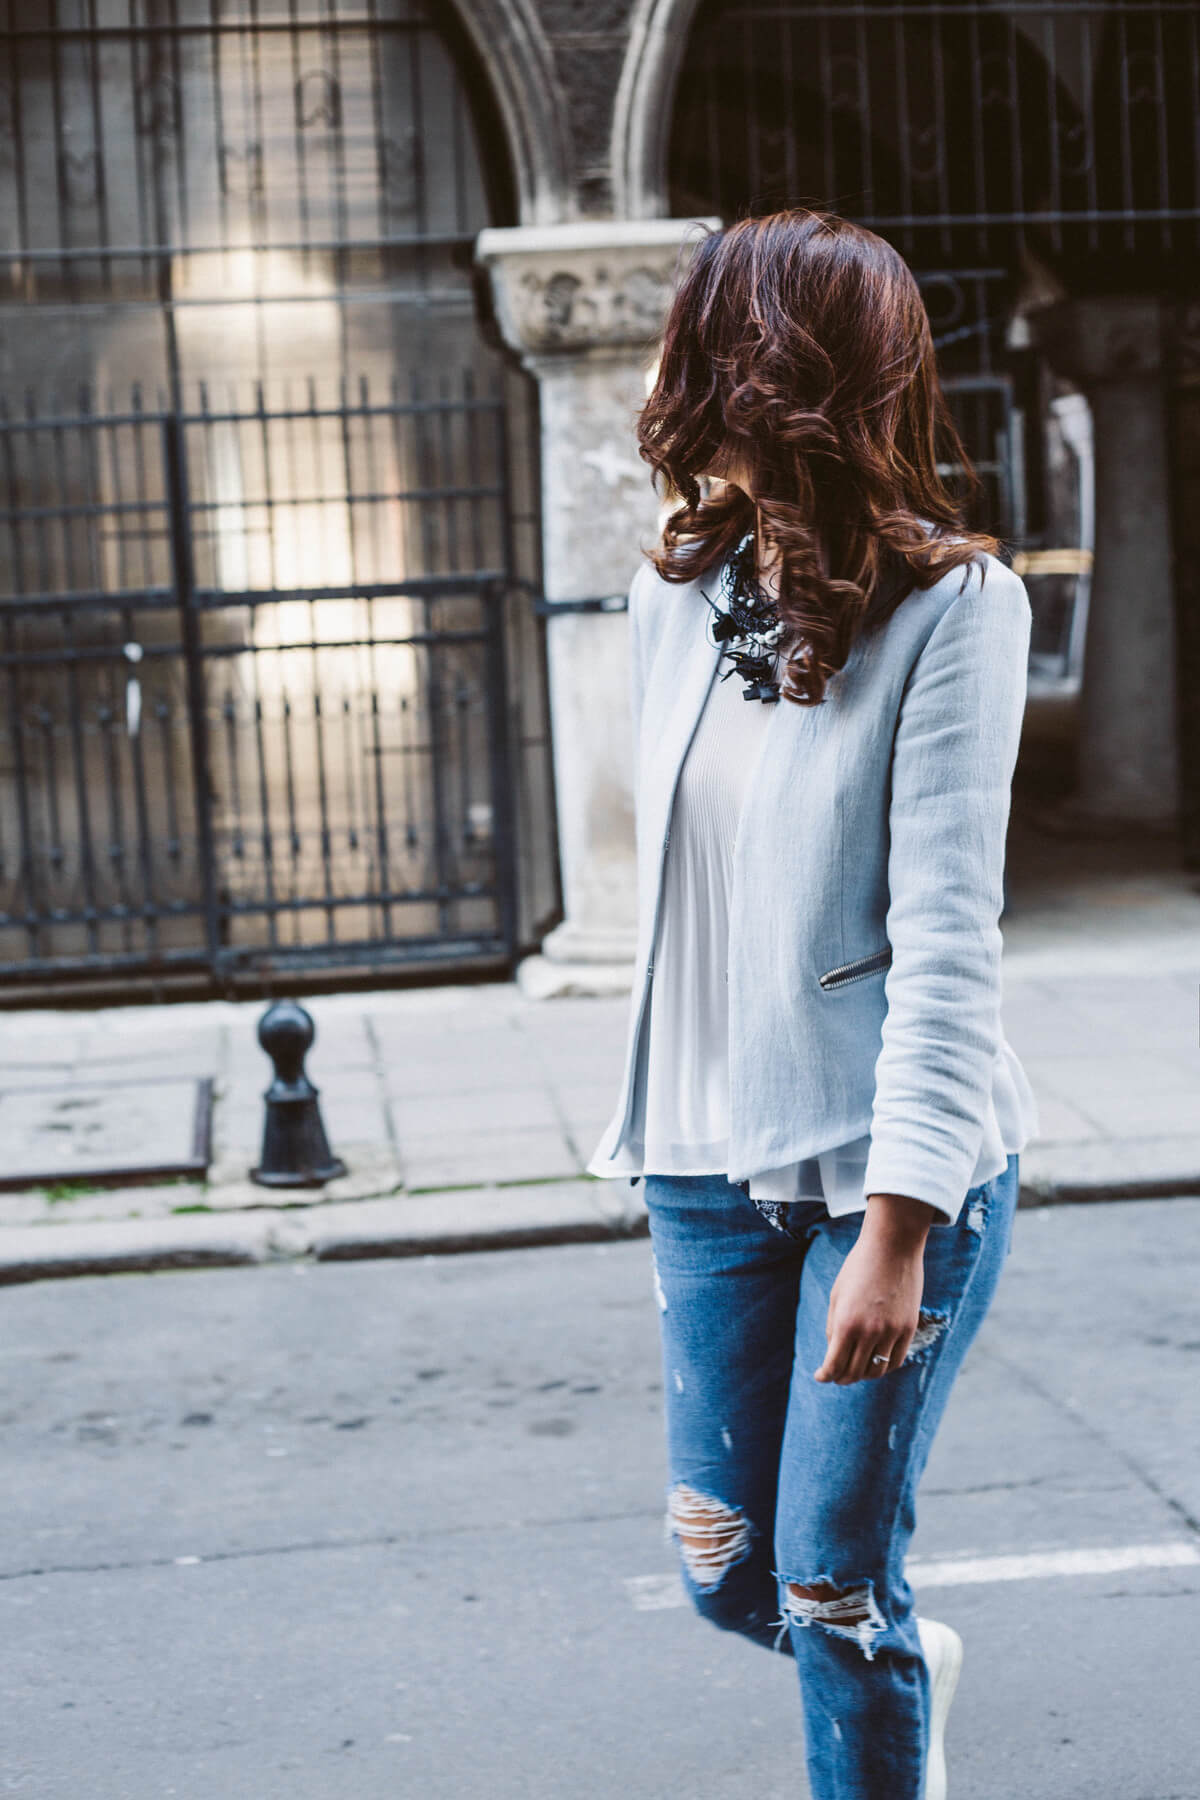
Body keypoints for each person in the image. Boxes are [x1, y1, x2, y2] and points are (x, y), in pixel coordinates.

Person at [585, 208, 1038, 1800]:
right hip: (706, 1161)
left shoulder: (958, 610)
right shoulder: (677, 592)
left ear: (773, 363)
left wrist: (899, 1235)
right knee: (726, 1567)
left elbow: (948, 942)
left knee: (830, 1586)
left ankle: (877, 1677)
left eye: (701, 327)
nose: (674, 357)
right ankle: (904, 1664)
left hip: (882, 1170)